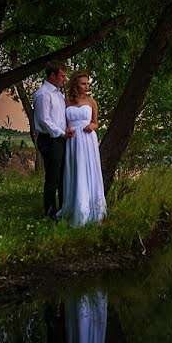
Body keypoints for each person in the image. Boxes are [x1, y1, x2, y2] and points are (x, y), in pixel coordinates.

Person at [59, 71, 107, 226]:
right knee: (75, 171)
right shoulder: (66, 102)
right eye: (83, 83)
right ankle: (75, 209)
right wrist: (66, 130)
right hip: (73, 141)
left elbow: (95, 122)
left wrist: (91, 126)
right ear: (75, 84)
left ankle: (92, 210)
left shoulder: (91, 102)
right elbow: (62, 122)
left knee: (89, 171)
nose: (87, 86)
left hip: (88, 140)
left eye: (87, 83)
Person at [33, 61, 74, 218]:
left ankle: (63, 211)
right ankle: (50, 214)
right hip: (50, 140)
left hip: (60, 138)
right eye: (62, 76)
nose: (64, 79)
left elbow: (59, 118)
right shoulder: (43, 94)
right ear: (52, 75)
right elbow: (44, 120)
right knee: (52, 178)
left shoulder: (58, 94)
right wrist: (62, 133)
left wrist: (67, 129)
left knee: (63, 176)